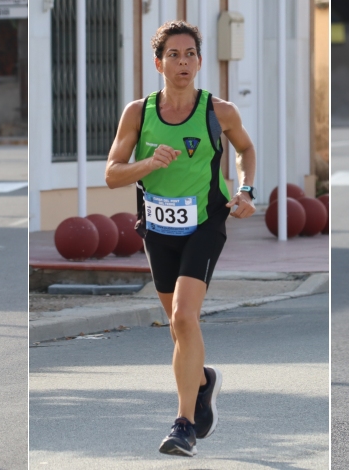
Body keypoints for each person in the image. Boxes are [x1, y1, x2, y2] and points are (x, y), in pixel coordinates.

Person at [105, 20, 256, 457]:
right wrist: (148, 164)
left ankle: (183, 424)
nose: (183, 62)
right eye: (174, 54)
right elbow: (112, 174)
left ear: (200, 61)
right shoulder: (139, 112)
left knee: (185, 318)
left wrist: (246, 189)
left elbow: (246, 149)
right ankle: (204, 381)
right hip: (157, 226)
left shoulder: (219, 110)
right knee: (177, 325)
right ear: (159, 63)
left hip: (206, 222)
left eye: (190, 53)